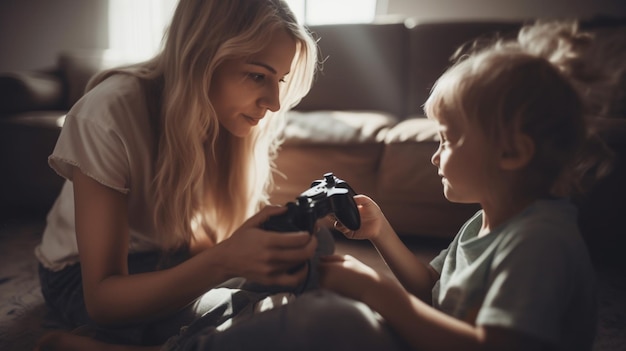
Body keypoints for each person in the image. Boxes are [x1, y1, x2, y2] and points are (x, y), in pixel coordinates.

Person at [34, 0, 325, 349]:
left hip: (170, 255)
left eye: (279, 79)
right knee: (256, 316)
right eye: (258, 76)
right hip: (82, 278)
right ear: (202, 57)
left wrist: (249, 251)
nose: (275, 102)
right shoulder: (108, 113)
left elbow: (203, 243)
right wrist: (224, 261)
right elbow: (102, 299)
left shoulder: (222, 117)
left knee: (315, 252)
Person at [319, 20, 613, 351]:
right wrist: (380, 232)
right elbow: (433, 290)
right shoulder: (486, 222)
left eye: (445, 139)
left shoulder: (540, 243)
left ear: (511, 152)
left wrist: (375, 291)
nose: (434, 158)